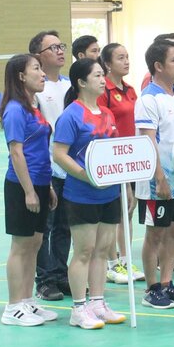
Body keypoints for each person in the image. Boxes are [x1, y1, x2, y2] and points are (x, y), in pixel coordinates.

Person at [52, 58, 126, 329]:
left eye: (102, 75)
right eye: (97, 75)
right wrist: (87, 176)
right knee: (84, 251)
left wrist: (122, 182)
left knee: (103, 250)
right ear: (81, 82)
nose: (103, 80)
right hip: (82, 194)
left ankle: (97, 303)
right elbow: (59, 154)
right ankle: (78, 308)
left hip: (109, 193)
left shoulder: (107, 113)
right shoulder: (71, 115)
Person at [0, 54, 59, 326]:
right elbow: (16, 152)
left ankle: (27, 301)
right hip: (21, 185)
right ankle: (13, 307)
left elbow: (40, 150)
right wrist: (29, 191)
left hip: (41, 182)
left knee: (34, 244)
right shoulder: (14, 110)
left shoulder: (34, 106)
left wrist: (47, 186)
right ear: (21, 76)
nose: (42, 74)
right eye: (36, 69)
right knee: (21, 246)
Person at [136, 41, 174, 309]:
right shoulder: (148, 99)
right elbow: (148, 142)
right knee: (155, 234)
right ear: (158, 66)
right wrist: (159, 177)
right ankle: (152, 288)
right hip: (156, 181)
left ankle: (167, 282)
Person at [29, 30, 72, 301]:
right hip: (47, 169)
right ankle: (44, 280)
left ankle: (61, 274)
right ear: (38, 56)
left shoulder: (71, 86)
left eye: (61, 46)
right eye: (52, 48)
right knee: (44, 227)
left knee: (65, 226)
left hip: (72, 168)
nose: (60, 51)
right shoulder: (37, 90)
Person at [97, 43, 145, 284]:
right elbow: (104, 126)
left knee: (128, 211)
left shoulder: (130, 90)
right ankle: (111, 263)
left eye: (127, 57)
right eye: (120, 58)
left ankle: (125, 260)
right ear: (107, 63)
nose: (126, 61)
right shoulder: (103, 90)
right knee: (113, 214)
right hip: (113, 159)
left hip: (131, 158)